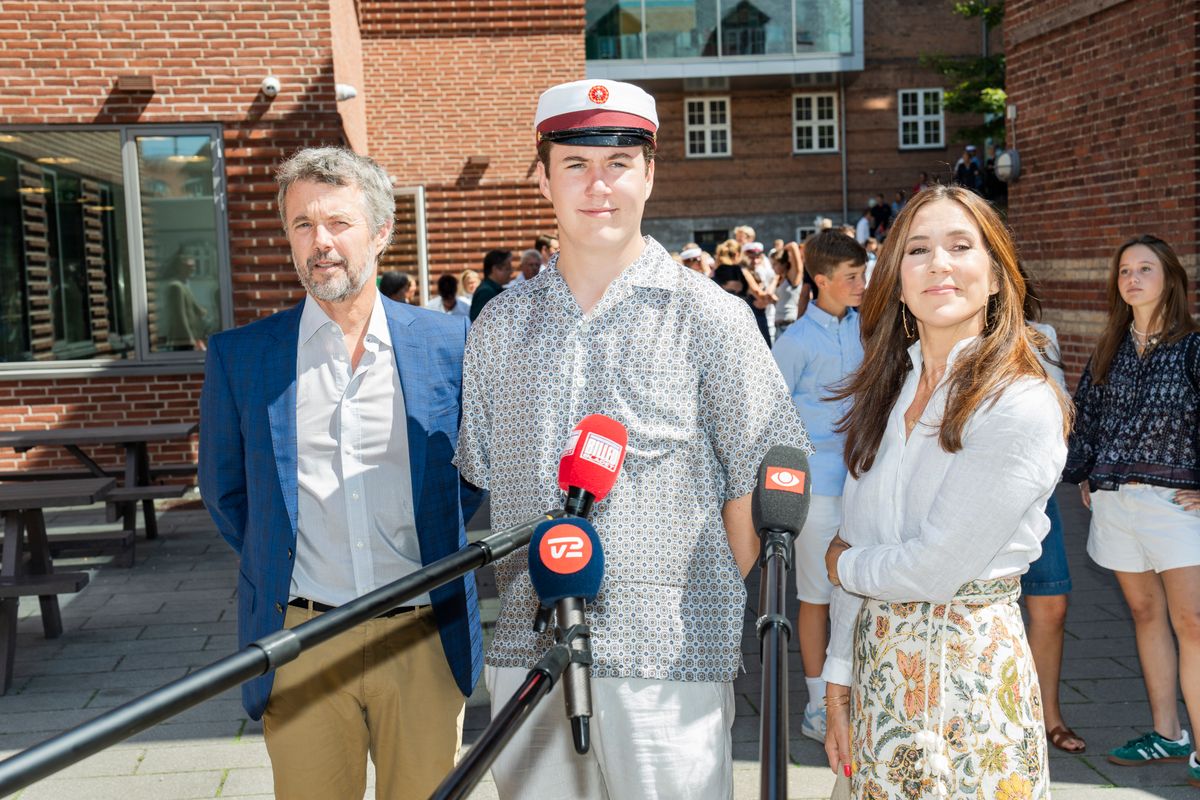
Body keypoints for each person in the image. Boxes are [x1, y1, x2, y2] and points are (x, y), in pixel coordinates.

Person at [454, 78, 810, 800]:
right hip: (529, 655)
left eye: (618, 163)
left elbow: (759, 477)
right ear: (545, 175)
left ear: (650, 172)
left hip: (667, 664)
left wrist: (687, 596)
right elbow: (486, 475)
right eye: (576, 164)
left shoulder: (711, 318)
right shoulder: (498, 325)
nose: (598, 186)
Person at [198, 147, 483, 800]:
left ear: (381, 232)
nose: (319, 242)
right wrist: (284, 558)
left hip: (424, 635)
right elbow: (227, 495)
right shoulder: (243, 357)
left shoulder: (450, 345)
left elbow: (469, 479)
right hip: (301, 646)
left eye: (337, 223)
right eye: (301, 225)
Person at [822, 185, 1071, 799]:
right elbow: (864, 536)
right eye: (918, 250)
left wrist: (841, 563)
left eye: (961, 246)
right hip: (880, 672)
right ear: (897, 280)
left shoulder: (1019, 400)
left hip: (968, 676)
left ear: (994, 275)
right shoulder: (887, 393)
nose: (939, 263)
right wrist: (837, 682)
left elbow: (933, 568)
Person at [1063, 234, 1200, 785]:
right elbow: (1086, 416)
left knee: (1192, 623)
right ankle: (1168, 732)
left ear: (1170, 279)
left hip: (1176, 505)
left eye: (1146, 268)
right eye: (1125, 270)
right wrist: (1087, 472)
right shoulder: (1108, 350)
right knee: (1145, 616)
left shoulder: (1193, 347)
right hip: (1117, 503)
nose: (1133, 278)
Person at [770, 230, 866, 743]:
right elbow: (771, 416)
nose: (861, 284)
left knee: (862, 588)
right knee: (817, 597)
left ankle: (853, 696)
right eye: (852, 277)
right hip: (818, 488)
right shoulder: (795, 341)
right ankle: (814, 706)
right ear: (822, 280)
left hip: (864, 484)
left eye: (863, 274)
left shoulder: (865, 329)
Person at [1018, 265, 1084, 755]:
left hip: (1036, 494)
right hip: (971, 497)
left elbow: (1062, 406)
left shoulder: (1042, 336)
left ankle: (1048, 716)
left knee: (1051, 605)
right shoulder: (948, 337)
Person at [158, 252, 209, 351]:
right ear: (180, 268)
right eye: (189, 266)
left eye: (193, 266)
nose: (193, 269)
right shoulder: (176, 287)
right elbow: (179, 315)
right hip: (183, 339)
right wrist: (189, 338)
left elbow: (196, 309)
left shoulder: (185, 285)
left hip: (190, 337)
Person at [771, 240, 808, 335]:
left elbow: (793, 245)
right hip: (778, 325)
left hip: (789, 325)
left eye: (775, 264)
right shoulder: (779, 279)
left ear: (783, 263)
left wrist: (782, 250)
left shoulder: (792, 279)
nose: (772, 267)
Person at [469, 248, 514, 321]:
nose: (511, 272)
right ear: (495, 269)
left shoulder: (494, 290)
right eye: (508, 268)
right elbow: (478, 324)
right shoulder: (485, 292)